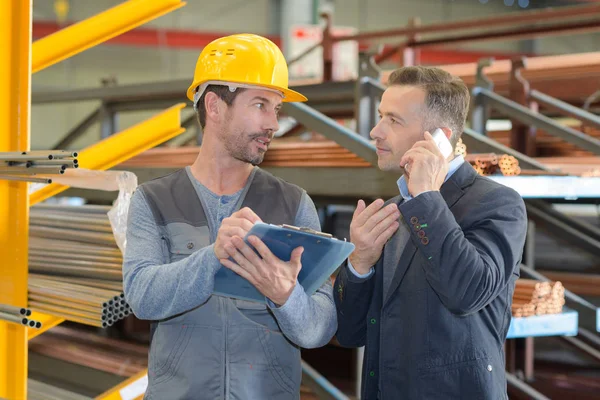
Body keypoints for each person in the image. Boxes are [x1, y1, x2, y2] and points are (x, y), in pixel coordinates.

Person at [123, 33, 337, 400]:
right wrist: (212, 259)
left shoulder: (293, 203)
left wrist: (287, 296)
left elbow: (320, 327)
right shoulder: (154, 200)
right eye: (259, 105)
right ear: (215, 106)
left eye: (277, 109)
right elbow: (142, 297)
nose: (273, 123)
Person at [334, 66, 527, 399]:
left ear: (439, 137)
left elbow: (466, 293)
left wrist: (426, 198)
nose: (375, 132)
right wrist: (359, 264)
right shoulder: (393, 210)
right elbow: (351, 332)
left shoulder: (498, 204)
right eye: (381, 116)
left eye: (393, 120)